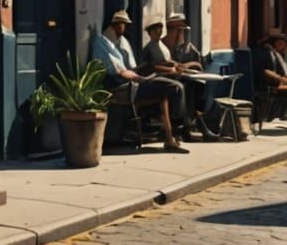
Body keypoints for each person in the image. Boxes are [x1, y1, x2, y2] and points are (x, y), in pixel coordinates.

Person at [91, 9, 187, 154]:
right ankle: (175, 128)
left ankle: (169, 137)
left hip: (133, 83)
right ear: (117, 24)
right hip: (122, 88)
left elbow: (131, 68)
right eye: (124, 24)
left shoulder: (123, 42)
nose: (126, 28)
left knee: (167, 91)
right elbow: (120, 71)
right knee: (169, 87)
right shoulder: (103, 42)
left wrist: (144, 72)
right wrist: (140, 78)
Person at [164, 12, 220, 141]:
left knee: (195, 90)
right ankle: (192, 128)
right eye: (177, 30)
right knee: (187, 92)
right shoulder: (165, 46)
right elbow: (173, 65)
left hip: (184, 80)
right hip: (169, 80)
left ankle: (193, 127)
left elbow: (199, 64)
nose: (180, 34)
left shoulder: (188, 47)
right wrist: (187, 66)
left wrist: (190, 65)